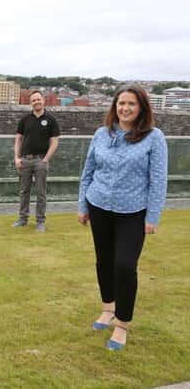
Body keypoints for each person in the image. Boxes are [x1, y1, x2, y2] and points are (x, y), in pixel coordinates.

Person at [78, 85, 168, 351]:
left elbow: (158, 180)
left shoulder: (154, 138)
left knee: (125, 265)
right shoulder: (101, 134)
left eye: (131, 104)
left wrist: (153, 216)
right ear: (114, 106)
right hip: (99, 205)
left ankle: (122, 324)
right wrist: (83, 205)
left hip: (133, 211)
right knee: (104, 260)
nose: (125, 108)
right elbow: (88, 172)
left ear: (141, 108)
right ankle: (108, 307)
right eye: (121, 103)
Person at [12, 90, 60, 232]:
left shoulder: (51, 120)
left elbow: (55, 142)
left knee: (41, 193)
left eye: (38, 99)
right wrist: (16, 157)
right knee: (23, 191)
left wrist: (46, 159)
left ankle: (40, 221)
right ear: (30, 102)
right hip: (25, 160)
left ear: (43, 100)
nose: (36, 102)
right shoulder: (25, 119)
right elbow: (18, 139)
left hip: (41, 160)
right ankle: (23, 218)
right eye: (33, 100)